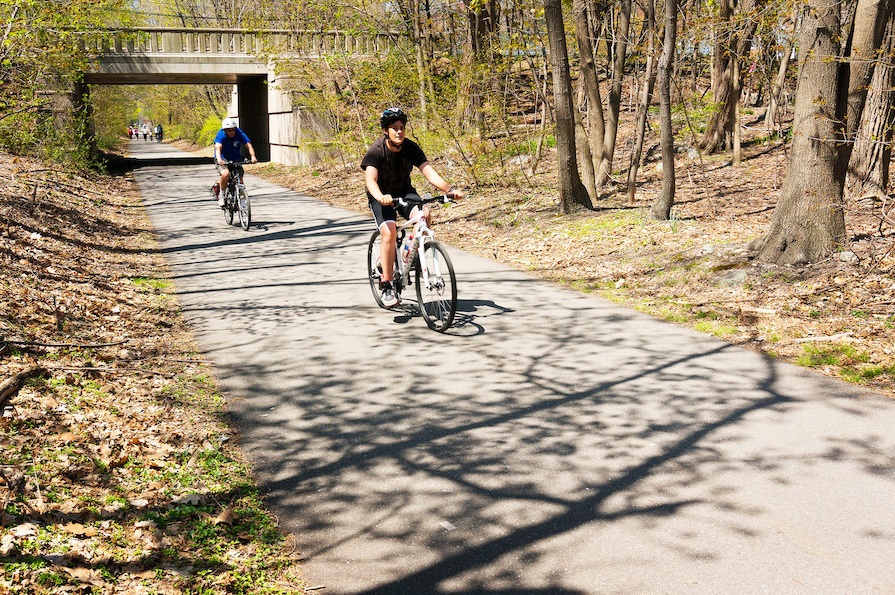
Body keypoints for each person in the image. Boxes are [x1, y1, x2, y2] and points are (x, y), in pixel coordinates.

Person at [361, 107, 464, 308]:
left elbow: (428, 171)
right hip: (381, 195)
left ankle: (410, 251)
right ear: (386, 131)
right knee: (389, 232)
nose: (399, 132)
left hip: (404, 191)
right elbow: (370, 180)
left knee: (425, 215)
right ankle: (387, 285)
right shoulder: (376, 151)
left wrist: (450, 189)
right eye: (394, 128)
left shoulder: (411, 147)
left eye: (402, 128)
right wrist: (381, 197)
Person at [212, 117, 258, 207]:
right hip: (222, 158)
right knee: (225, 174)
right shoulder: (221, 135)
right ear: (225, 130)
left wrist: (253, 157)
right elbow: (218, 148)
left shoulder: (239, 133)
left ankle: (241, 198)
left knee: (239, 179)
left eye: (233, 130)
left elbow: (248, 145)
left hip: (236, 158)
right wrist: (220, 160)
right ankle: (221, 194)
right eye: (229, 130)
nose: (232, 132)